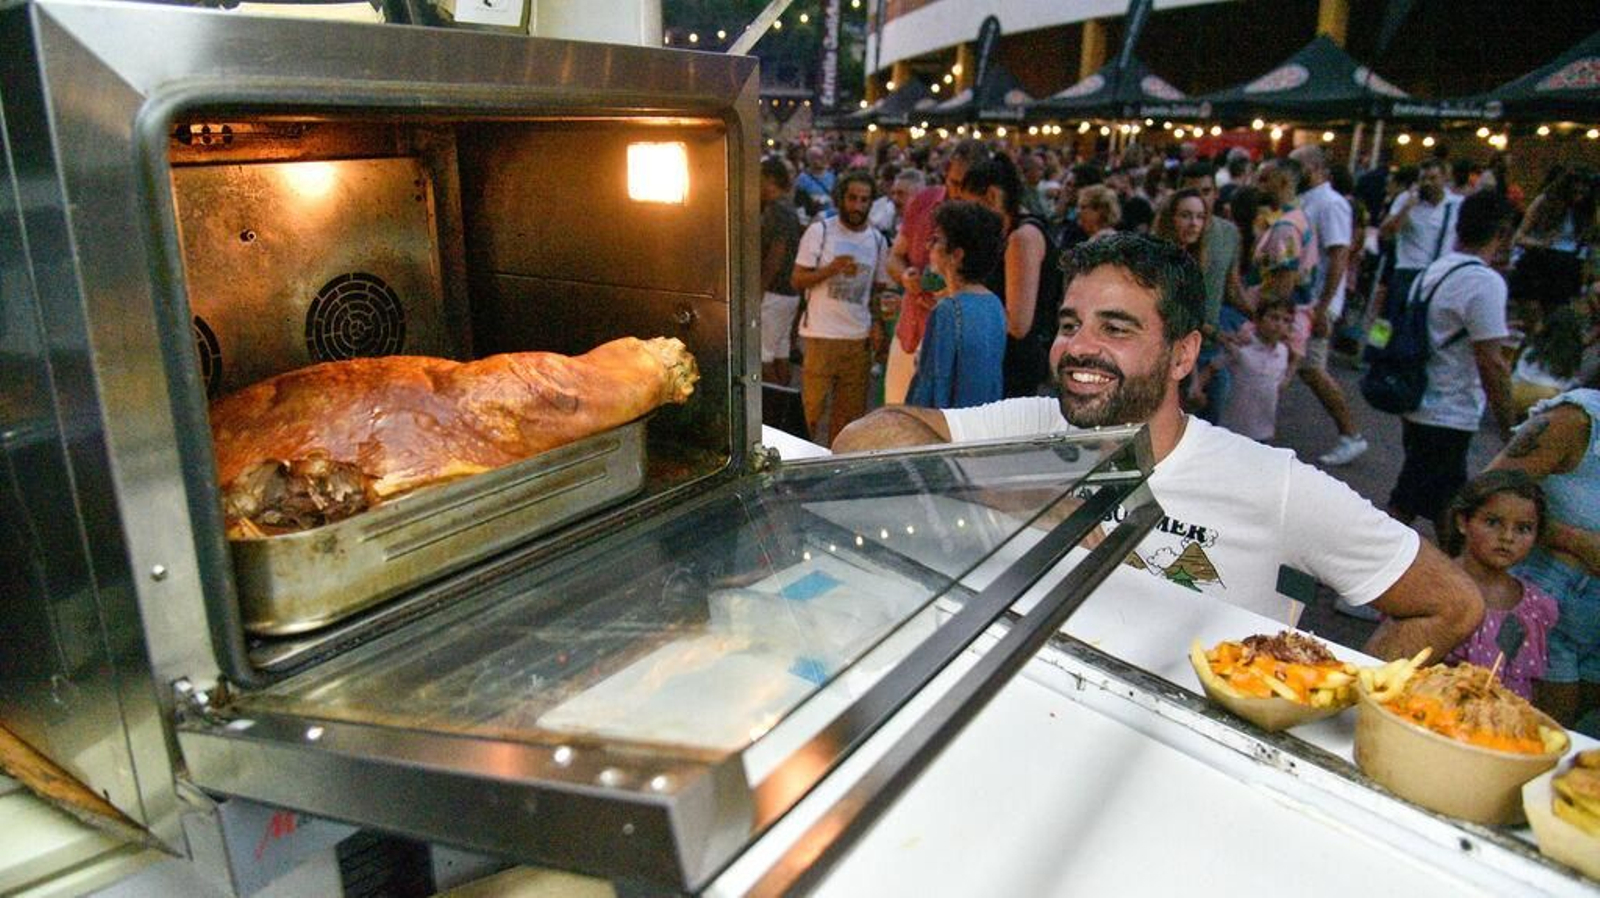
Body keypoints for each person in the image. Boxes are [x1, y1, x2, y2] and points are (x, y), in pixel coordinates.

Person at [835, 233, 1483, 662]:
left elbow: (1451, 604)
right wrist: (1017, 490)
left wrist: (1331, 705)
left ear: (1182, 353)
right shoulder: (1034, 423)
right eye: (1070, 325)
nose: (1079, 347)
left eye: (1115, 328)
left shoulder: (1269, 483)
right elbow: (862, 440)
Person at [1387, 190, 1518, 529]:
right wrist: (1510, 425)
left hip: (1418, 400)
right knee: (1436, 508)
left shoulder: (1434, 270)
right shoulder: (1484, 281)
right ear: (1502, 233)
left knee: (1426, 502)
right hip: (1449, 410)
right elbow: (1492, 362)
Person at [1487, 383, 1600, 731]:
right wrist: (1577, 542)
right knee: (1533, 738)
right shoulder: (1578, 419)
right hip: (1550, 599)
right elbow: (1488, 492)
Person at [883, 140, 994, 405]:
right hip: (911, 330)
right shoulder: (924, 201)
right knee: (896, 415)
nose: (955, 191)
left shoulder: (984, 221)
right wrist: (906, 277)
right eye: (952, 181)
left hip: (954, 342)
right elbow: (894, 257)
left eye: (964, 185)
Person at [1439, 470, 1559, 703]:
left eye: (1523, 528)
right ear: (1463, 522)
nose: (1507, 537)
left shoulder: (1536, 608)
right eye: (1493, 522)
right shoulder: (1433, 585)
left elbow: (1533, 686)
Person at [792, 170, 889, 446]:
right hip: (821, 336)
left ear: (871, 203)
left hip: (857, 341)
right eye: (852, 198)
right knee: (809, 413)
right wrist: (831, 269)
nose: (857, 206)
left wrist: (878, 324)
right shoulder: (820, 231)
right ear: (841, 199)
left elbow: (878, 290)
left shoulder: (878, 240)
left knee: (848, 420)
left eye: (864, 200)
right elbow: (798, 279)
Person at [1288, 145, 1368, 467]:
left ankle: (1351, 435)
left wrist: (1323, 307)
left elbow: (1339, 257)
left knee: (1311, 368)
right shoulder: (1309, 200)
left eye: (1297, 166)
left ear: (1316, 167)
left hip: (1316, 301)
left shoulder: (1331, 204)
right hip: (1306, 300)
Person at [958, 153, 1063, 398]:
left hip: (1018, 372)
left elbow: (1017, 324)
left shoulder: (1021, 239)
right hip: (1008, 365)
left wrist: (968, 306)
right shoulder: (1008, 235)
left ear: (992, 196)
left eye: (972, 206)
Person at [905, 202, 1007, 409]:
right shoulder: (994, 304)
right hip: (983, 422)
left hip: (949, 427)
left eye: (936, 240)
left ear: (957, 255)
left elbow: (933, 384)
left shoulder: (948, 310)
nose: (928, 246)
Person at [1379, 158, 1462, 317]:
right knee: (1391, 323)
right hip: (1409, 272)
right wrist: (1407, 207)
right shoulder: (1406, 199)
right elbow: (1386, 232)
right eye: (1423, 179)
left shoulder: (1456, 204)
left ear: (1445, 178)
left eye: (1433, 178)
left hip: (1439, 273)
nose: (1428, 183)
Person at [1216, 297, 1295, 443]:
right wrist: (1198, 387)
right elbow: (1214, 365)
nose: (1279, 325)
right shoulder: (1242, 347)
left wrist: (1292, 367)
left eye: (1286, 321)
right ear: (1258, 320)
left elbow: (1279, 383)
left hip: (1263, 428)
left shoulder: (1283, 352)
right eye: (1274, 318)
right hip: (1234, 426)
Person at [759, 156, 804, 386]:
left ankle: (779, 409)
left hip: (774, 293)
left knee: (762, 356)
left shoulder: (777, 211)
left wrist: (759, 291)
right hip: (788, 293)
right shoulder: (789, 209)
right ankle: (784, 407)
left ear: (769, 179)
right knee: (780, 352)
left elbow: (775, 256)